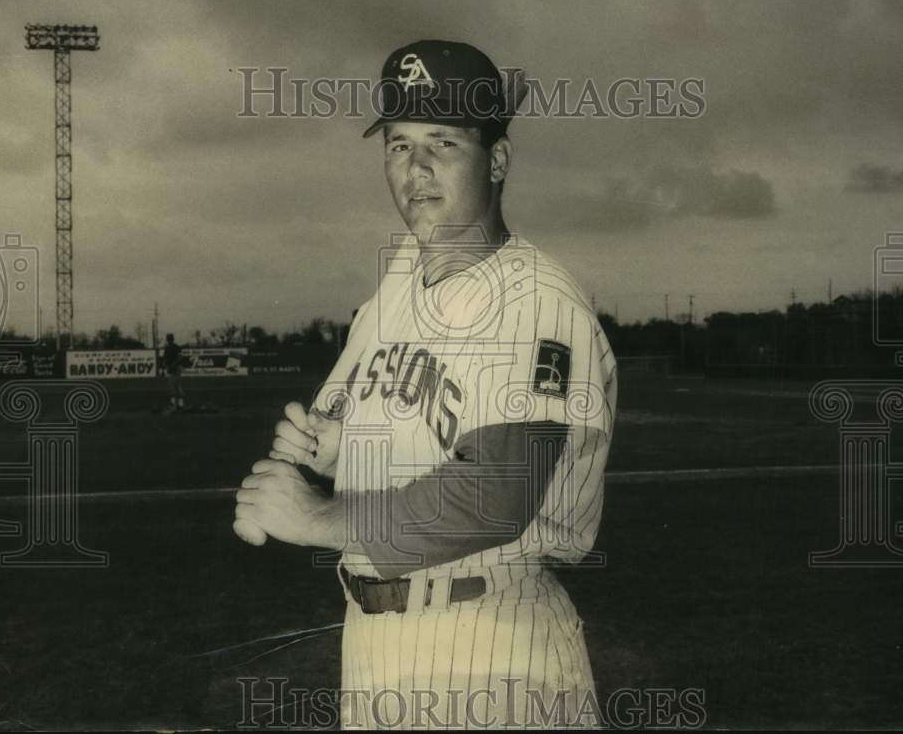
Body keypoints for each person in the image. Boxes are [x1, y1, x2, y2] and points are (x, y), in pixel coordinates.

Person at [233, 40, 617, 728]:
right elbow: (362, 408)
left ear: (497, 160)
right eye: (399, 144)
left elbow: (492, 497)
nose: (416, 169)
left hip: (490, 644)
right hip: (377, 641)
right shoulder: (404, 272)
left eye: (443, 143)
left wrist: (316, 519)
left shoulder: (535, 299)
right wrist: (333, 446)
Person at [162, 333, 185, 412]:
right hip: (171, 368)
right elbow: (165, 359)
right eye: (169, 339)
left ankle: (180, 404)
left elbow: (180, 357)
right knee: (172, 385)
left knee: (176, 385)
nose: (169, 340)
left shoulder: (176, 347)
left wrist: (173, 364)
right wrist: (165, 367)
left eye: (170, 338)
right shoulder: (167, 348)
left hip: (177, 367)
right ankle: (175, 404)